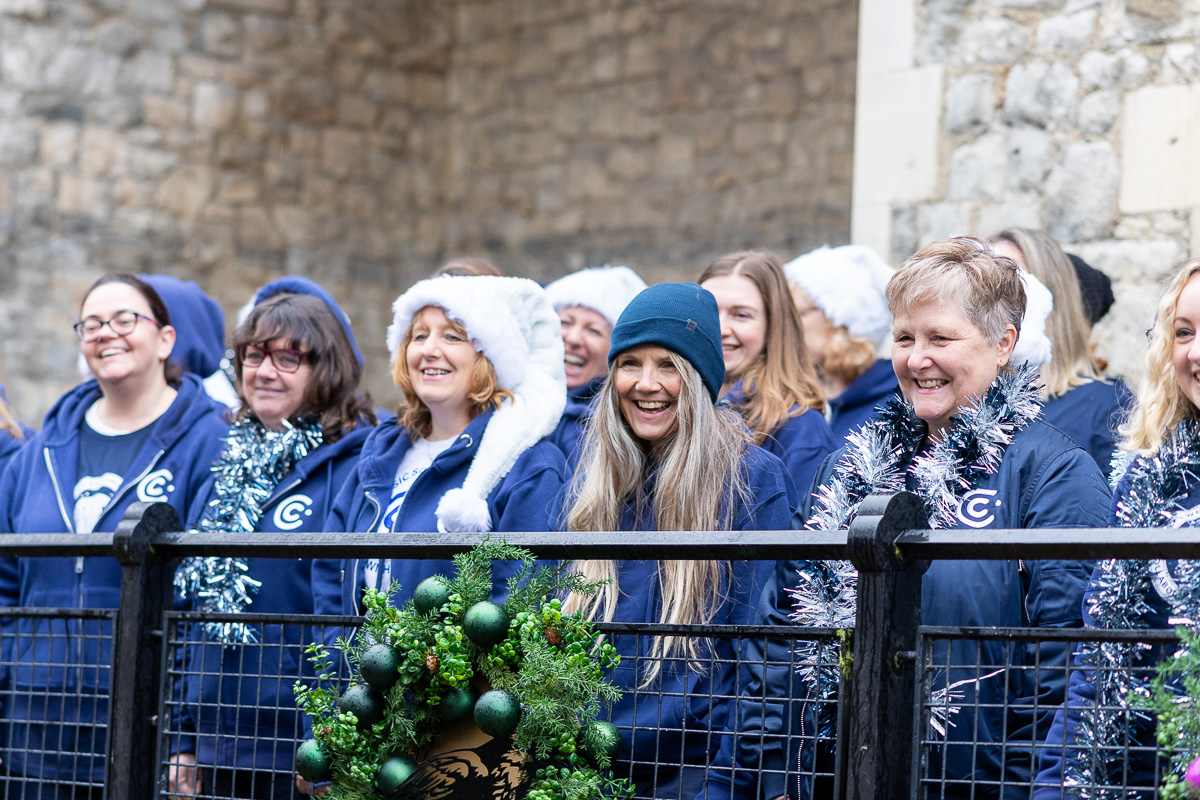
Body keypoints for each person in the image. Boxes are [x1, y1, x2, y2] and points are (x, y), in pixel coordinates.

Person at [715, 237, 1110, 800]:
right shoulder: (849, 468)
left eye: (941, 338)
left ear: (1004, 344)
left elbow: (1064, 662)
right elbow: (781, 629)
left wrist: (1027, 789)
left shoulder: (1053, 471)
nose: (917, 359)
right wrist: (779, 775)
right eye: (904, 338)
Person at [560, 282, 793, 798]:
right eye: (630, 364)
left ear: (699, 377)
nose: (646, 383)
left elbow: (765, 654)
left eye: (669, 365)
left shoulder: (751, 478)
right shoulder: (597, 481)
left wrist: (728, 782)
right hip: (584, 776)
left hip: (695, 777)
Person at [0, 274, 228, 798]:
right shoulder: (39, 454)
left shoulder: (209, 441)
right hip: (35, 733)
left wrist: (184, 731)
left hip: (142, 728)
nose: (107, 333)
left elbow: (207, 600)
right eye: (93, 324)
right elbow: (7, 586)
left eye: (126, 320)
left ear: (165, 339)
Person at [169, 282, 377, 799]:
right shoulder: (227, 462)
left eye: (289, 357)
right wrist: (183, 736)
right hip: (216, 741)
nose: (264, 371)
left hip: (298, 749)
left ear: (326, 367)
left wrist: (328, 742)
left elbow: (350, 613)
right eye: (253, 355)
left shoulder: (358, 461)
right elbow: (184, 608)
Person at [1032, 258, 1200, 799]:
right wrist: (1056, 787)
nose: (1194, 353)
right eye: (1183, 332)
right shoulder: (1152, 478)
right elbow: (1098, 658)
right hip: (1148, 778)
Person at [311, 275, 567, 621]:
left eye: (452, 336)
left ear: (490, 356)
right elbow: (331, 568)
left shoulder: (530, 465)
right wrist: (335, 661)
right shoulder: (384, 448)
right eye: (419, 335)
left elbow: (520, 604)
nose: (429, 349)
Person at [993, 228, 1133, 479]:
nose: (990, 300)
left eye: (1009, 285)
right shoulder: (967, 406)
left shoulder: (1107, 406)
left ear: (1048, 302)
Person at [698, 252, 835, 504]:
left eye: (741, 315)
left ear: (774, 326)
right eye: (708, 312)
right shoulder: (667, 413)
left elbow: (803, 539)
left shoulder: (801, 429)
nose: (720, 328)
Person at [782, 244, 901, 441]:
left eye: (797, 313)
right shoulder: (791, 397)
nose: (786, 326)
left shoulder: (894, 403)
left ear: (840, 323)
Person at [543, 265, 648, 467]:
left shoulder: (607, 431)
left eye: (593, 330)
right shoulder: (507, 396)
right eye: (565, 322)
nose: (573, 338)